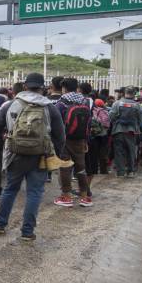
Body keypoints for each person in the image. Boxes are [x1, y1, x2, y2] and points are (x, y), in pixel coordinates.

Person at [0, 73, 66, 241]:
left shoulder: (10, 105)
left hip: (14, 154)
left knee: (10, 189)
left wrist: (2, 147)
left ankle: (0, 224)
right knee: (35, 192)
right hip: (40, 156)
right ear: (43, 88)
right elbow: (60, 136)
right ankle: (27, 231)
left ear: (25, 86)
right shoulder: (49, 107)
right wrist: (54, 155)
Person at [53, 78, 93, 208]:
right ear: (77, 88)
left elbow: (56, 123)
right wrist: (86, 139)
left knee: (65, 166)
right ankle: (85, 197)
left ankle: (66, 196)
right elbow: (89, 122)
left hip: (65, 139)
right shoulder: (84, 101)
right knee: (81, 167)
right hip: (80, 139)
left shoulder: (61, 103)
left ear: (64, 88)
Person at [109, 87, 142, 178]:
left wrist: (116, 123)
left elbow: (111, 116)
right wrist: (135, 126)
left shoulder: (117, 103)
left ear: (124, 93)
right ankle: (130, 171)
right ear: (134, 94)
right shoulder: (137, 105)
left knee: (119, 152)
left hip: (118, 131)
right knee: (131, 151)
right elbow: (140, 120)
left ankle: (120, 172)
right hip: (131, 132)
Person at [86, 98, 111, 178]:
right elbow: (107, 123)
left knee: (94, 153)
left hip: (94, 134)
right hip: (103, 134)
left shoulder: (93, 110)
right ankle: (103, 170)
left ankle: (95, 169)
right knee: (103, 152)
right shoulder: (105, 111)